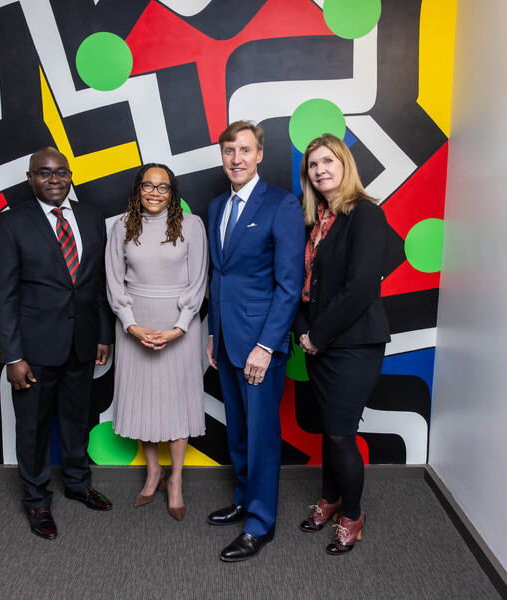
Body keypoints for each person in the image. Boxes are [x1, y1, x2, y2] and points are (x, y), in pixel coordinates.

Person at [0, 147, 115, 540]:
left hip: (81, 343)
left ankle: (78, 484)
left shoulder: (93, 217)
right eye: (44, 173)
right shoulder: (12, 224)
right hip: (33, 350)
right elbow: (4, 295)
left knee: (78, 420)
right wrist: (13, 356)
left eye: (61, 172)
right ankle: (36, 501)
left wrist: (102, 334)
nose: (55, 179)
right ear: (31, 179)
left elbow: (95, 282)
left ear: (69, 175)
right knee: (33, 427)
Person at [205, 121, 305, 561]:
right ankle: (245, 499)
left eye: (245, 150)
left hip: (261, 343)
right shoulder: (215, 206)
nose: (237, 158)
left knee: (263, 434)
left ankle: (260, 524)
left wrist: (266, 346)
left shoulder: (282, 204)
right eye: (229, 150)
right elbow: (219, 274)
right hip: (227, 339)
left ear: (259, 155)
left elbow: (289, 284)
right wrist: (213, 334)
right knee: (240, 429)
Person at [293, 133, 391, 554]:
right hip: (319, 345)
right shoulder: (316, 222)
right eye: (313, 165)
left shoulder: (366, 214)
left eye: (328, 161)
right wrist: (303, 331)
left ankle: (352, 515)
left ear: (344, 165)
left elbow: (360, 287)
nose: (321, 170)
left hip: (353, 344)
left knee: (339, 433)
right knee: (329, 431)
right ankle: (330, 500)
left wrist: (316, 335)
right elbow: (304, 288)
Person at [105, 163, 208, 521]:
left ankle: (176, 479)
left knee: (177, 404)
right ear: (138, 189)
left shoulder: (192, 226)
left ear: (172, 192)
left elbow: (198, 282)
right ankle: (153, 473)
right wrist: (131, 326)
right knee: (144, 403)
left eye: (163, 187)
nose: (154, 192)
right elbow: (114, 282)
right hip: (135, 324)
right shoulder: (121, 227)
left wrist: (179, 327)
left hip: (180, 327)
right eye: (147, 186)